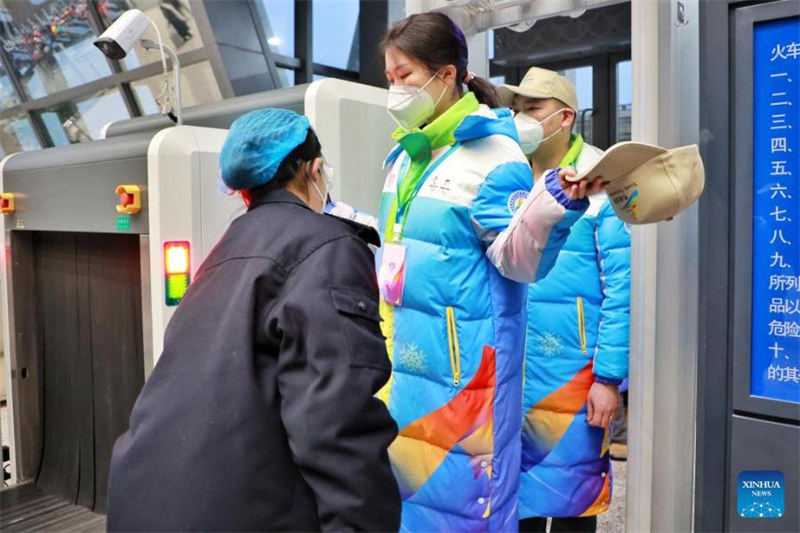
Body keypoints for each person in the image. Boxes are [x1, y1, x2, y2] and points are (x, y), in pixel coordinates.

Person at [107, 108, 401, 532]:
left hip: (145, 500)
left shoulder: (223, 252)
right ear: (313, 170)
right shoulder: (328, 248)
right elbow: (336, 421)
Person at [377, 14, 605, 532]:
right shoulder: (403, 155)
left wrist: (549, 209)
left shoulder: (492, 153)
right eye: (390, 76)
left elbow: (519, 261)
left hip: (466, 378)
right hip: (405, 363)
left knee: (466, 510)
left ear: (447, 74)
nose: (396, 88)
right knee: (408, 508)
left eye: (406, 74)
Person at [498, 67, 631, 533]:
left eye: (532, 108)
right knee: (515, 503)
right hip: (510, 374)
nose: (520, 118)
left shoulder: (600, 182)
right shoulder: (508, 176)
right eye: (516, 109)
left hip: (574, 377)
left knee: (573, 502)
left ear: (564, 117)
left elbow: (622, 290)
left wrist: (609, 379)